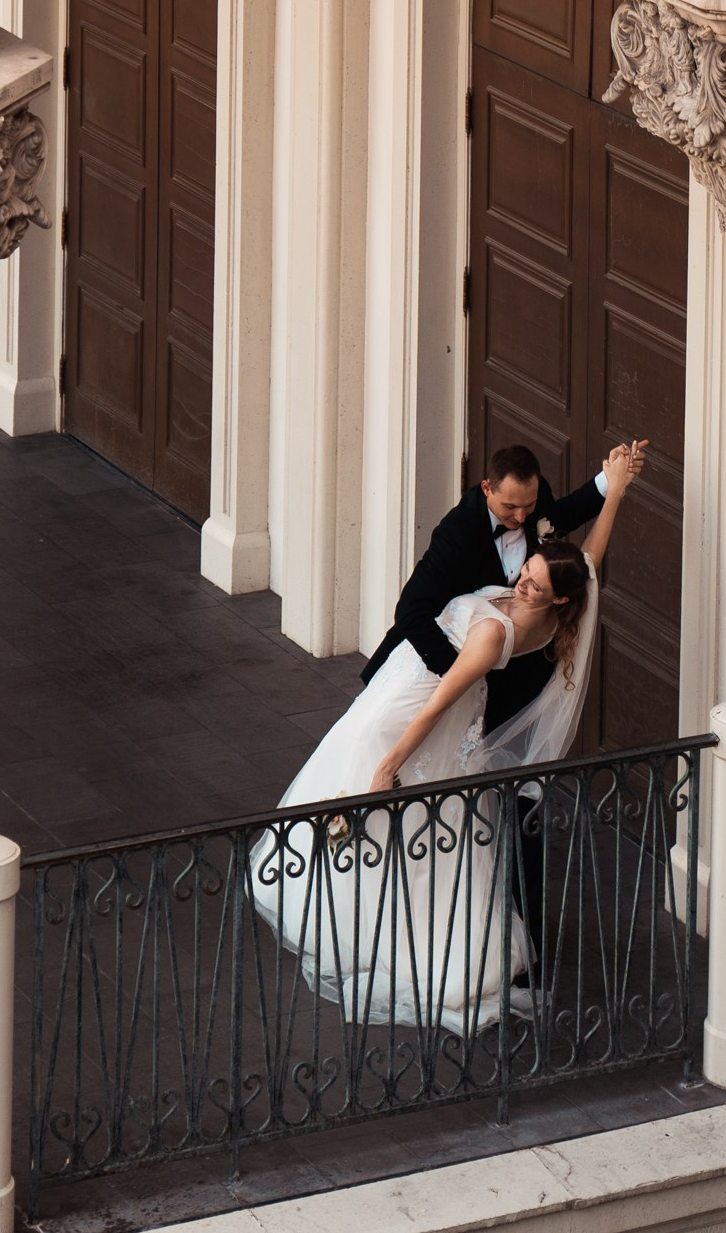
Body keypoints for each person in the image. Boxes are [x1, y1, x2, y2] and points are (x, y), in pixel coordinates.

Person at [262, 458, 642, 1031]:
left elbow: (442, 702)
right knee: (390, 778)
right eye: (527, 569)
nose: (522, 579)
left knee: (381, 772)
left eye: (535, 582)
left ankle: (370, 919)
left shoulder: (494, 632)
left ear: (558, 600)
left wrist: (389, 765)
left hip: (430, 693)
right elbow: (590, 556)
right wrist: (614, 490)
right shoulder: (548, 586)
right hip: (419, 672)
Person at [365, 437, 649, 741]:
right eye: (510, 507)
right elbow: (411, 611)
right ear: (487, 487)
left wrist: (612, 480)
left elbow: (561, 516)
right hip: (434, 665)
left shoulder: (533, 503)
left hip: (510, 676)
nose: (521, 517)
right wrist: (461, 676)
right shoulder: (456, 535)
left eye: (528, 506)